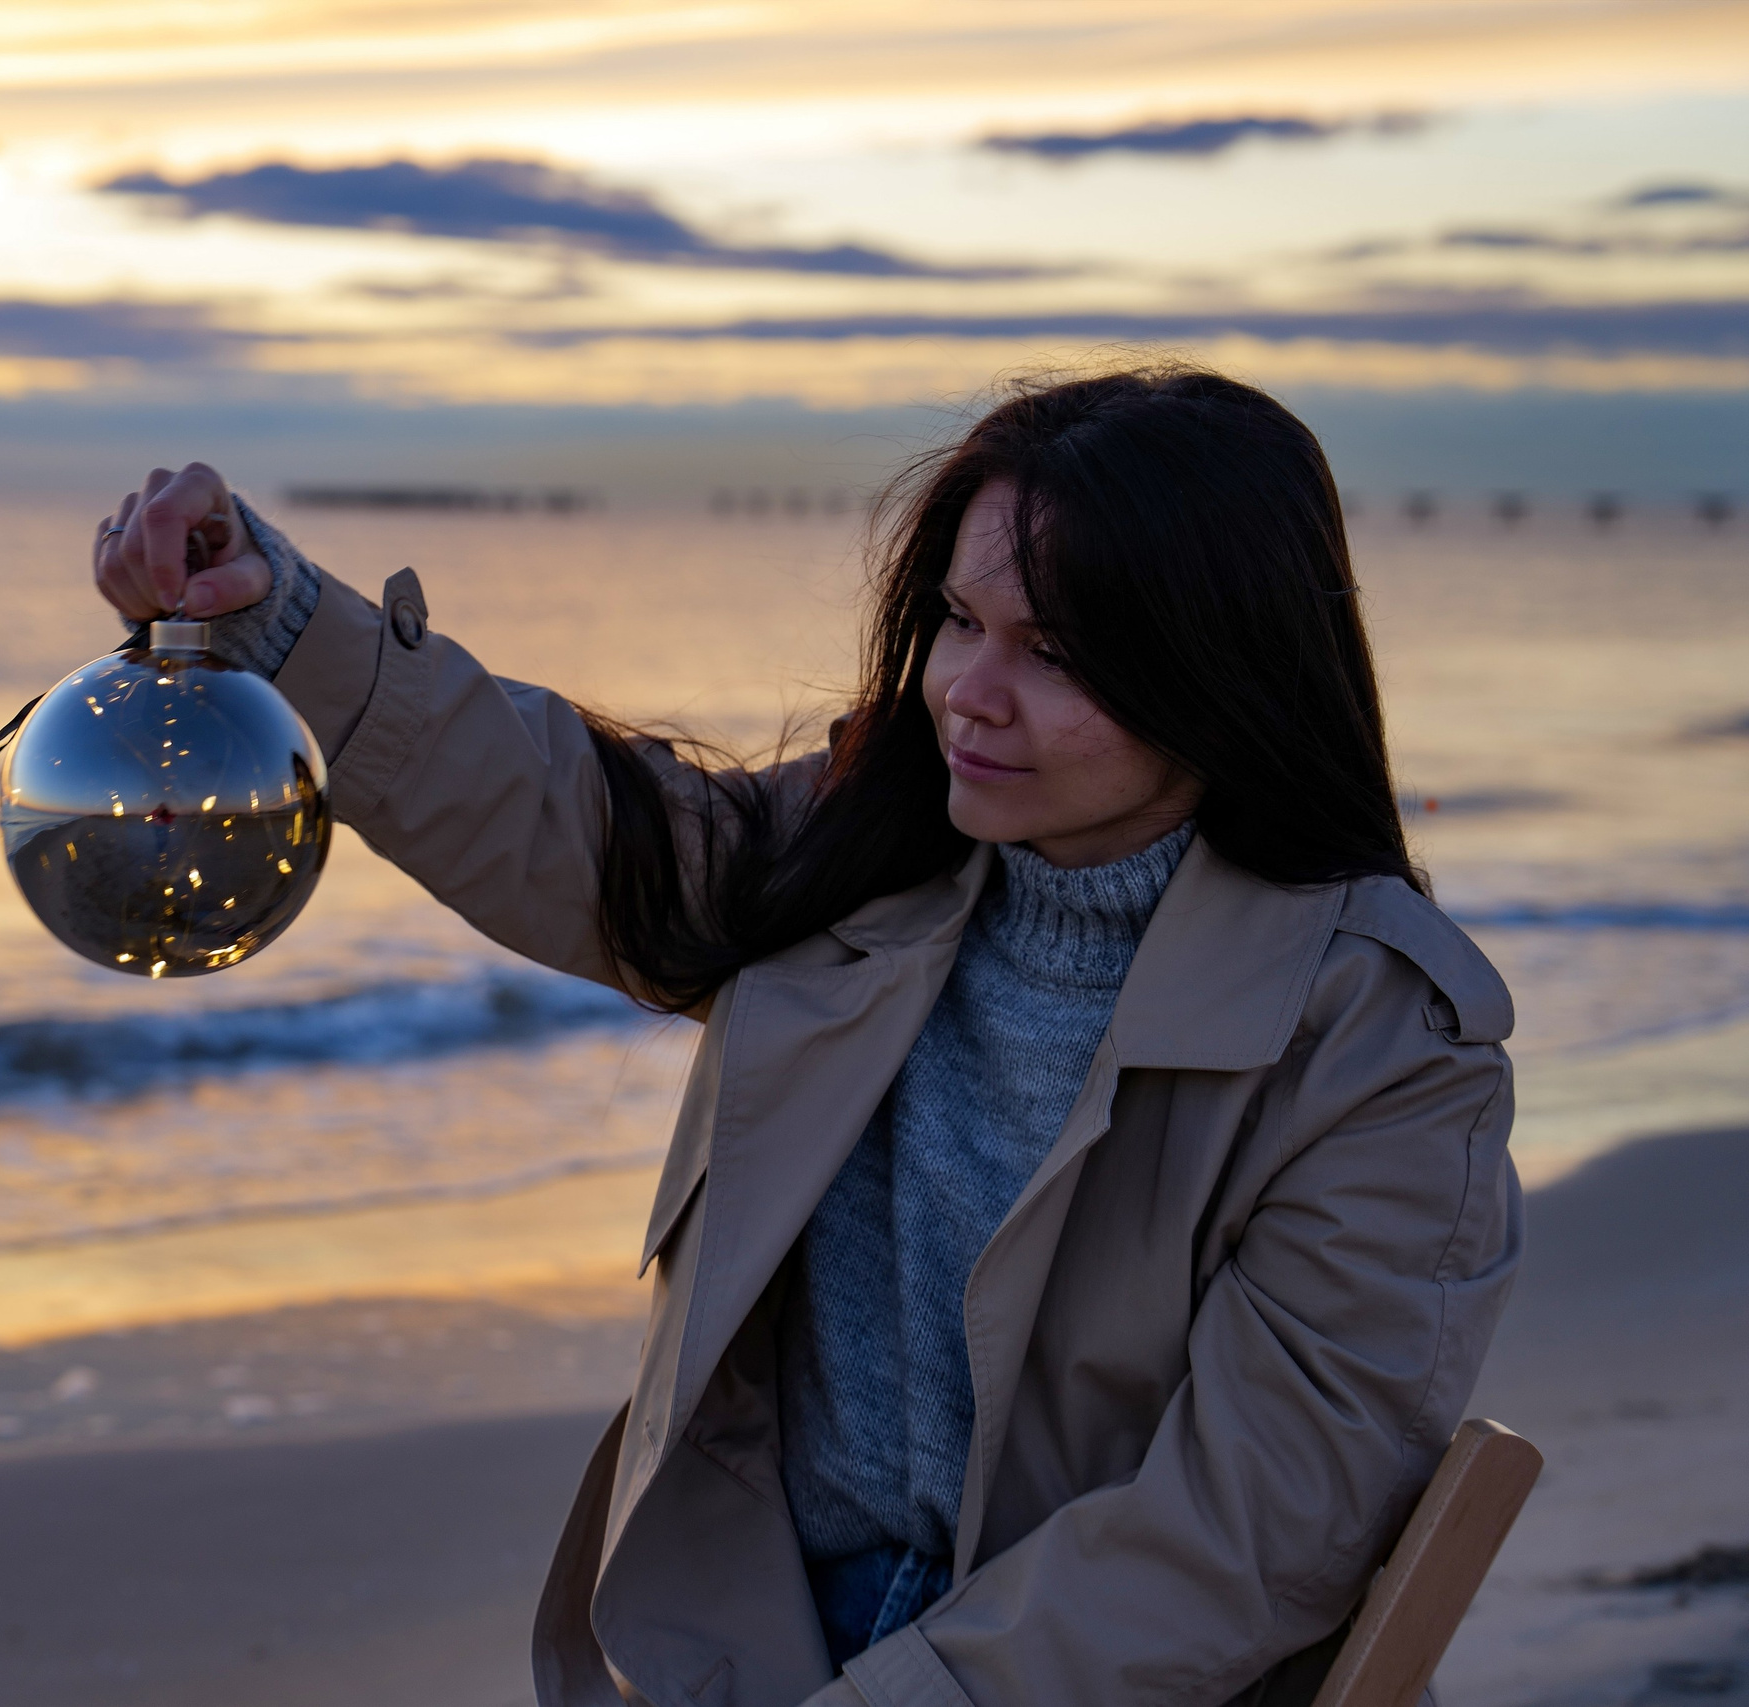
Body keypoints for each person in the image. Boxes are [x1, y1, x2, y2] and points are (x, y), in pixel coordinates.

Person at [88, 367, 1519, 1707]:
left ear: (1223, 671)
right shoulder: (868, 849)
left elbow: (1245, 1536)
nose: (969, 690)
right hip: (756, 1629)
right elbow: (581, 827)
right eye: (961, 621)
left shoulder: (1385, 1047)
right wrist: (280, 627)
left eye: (1057, 652)